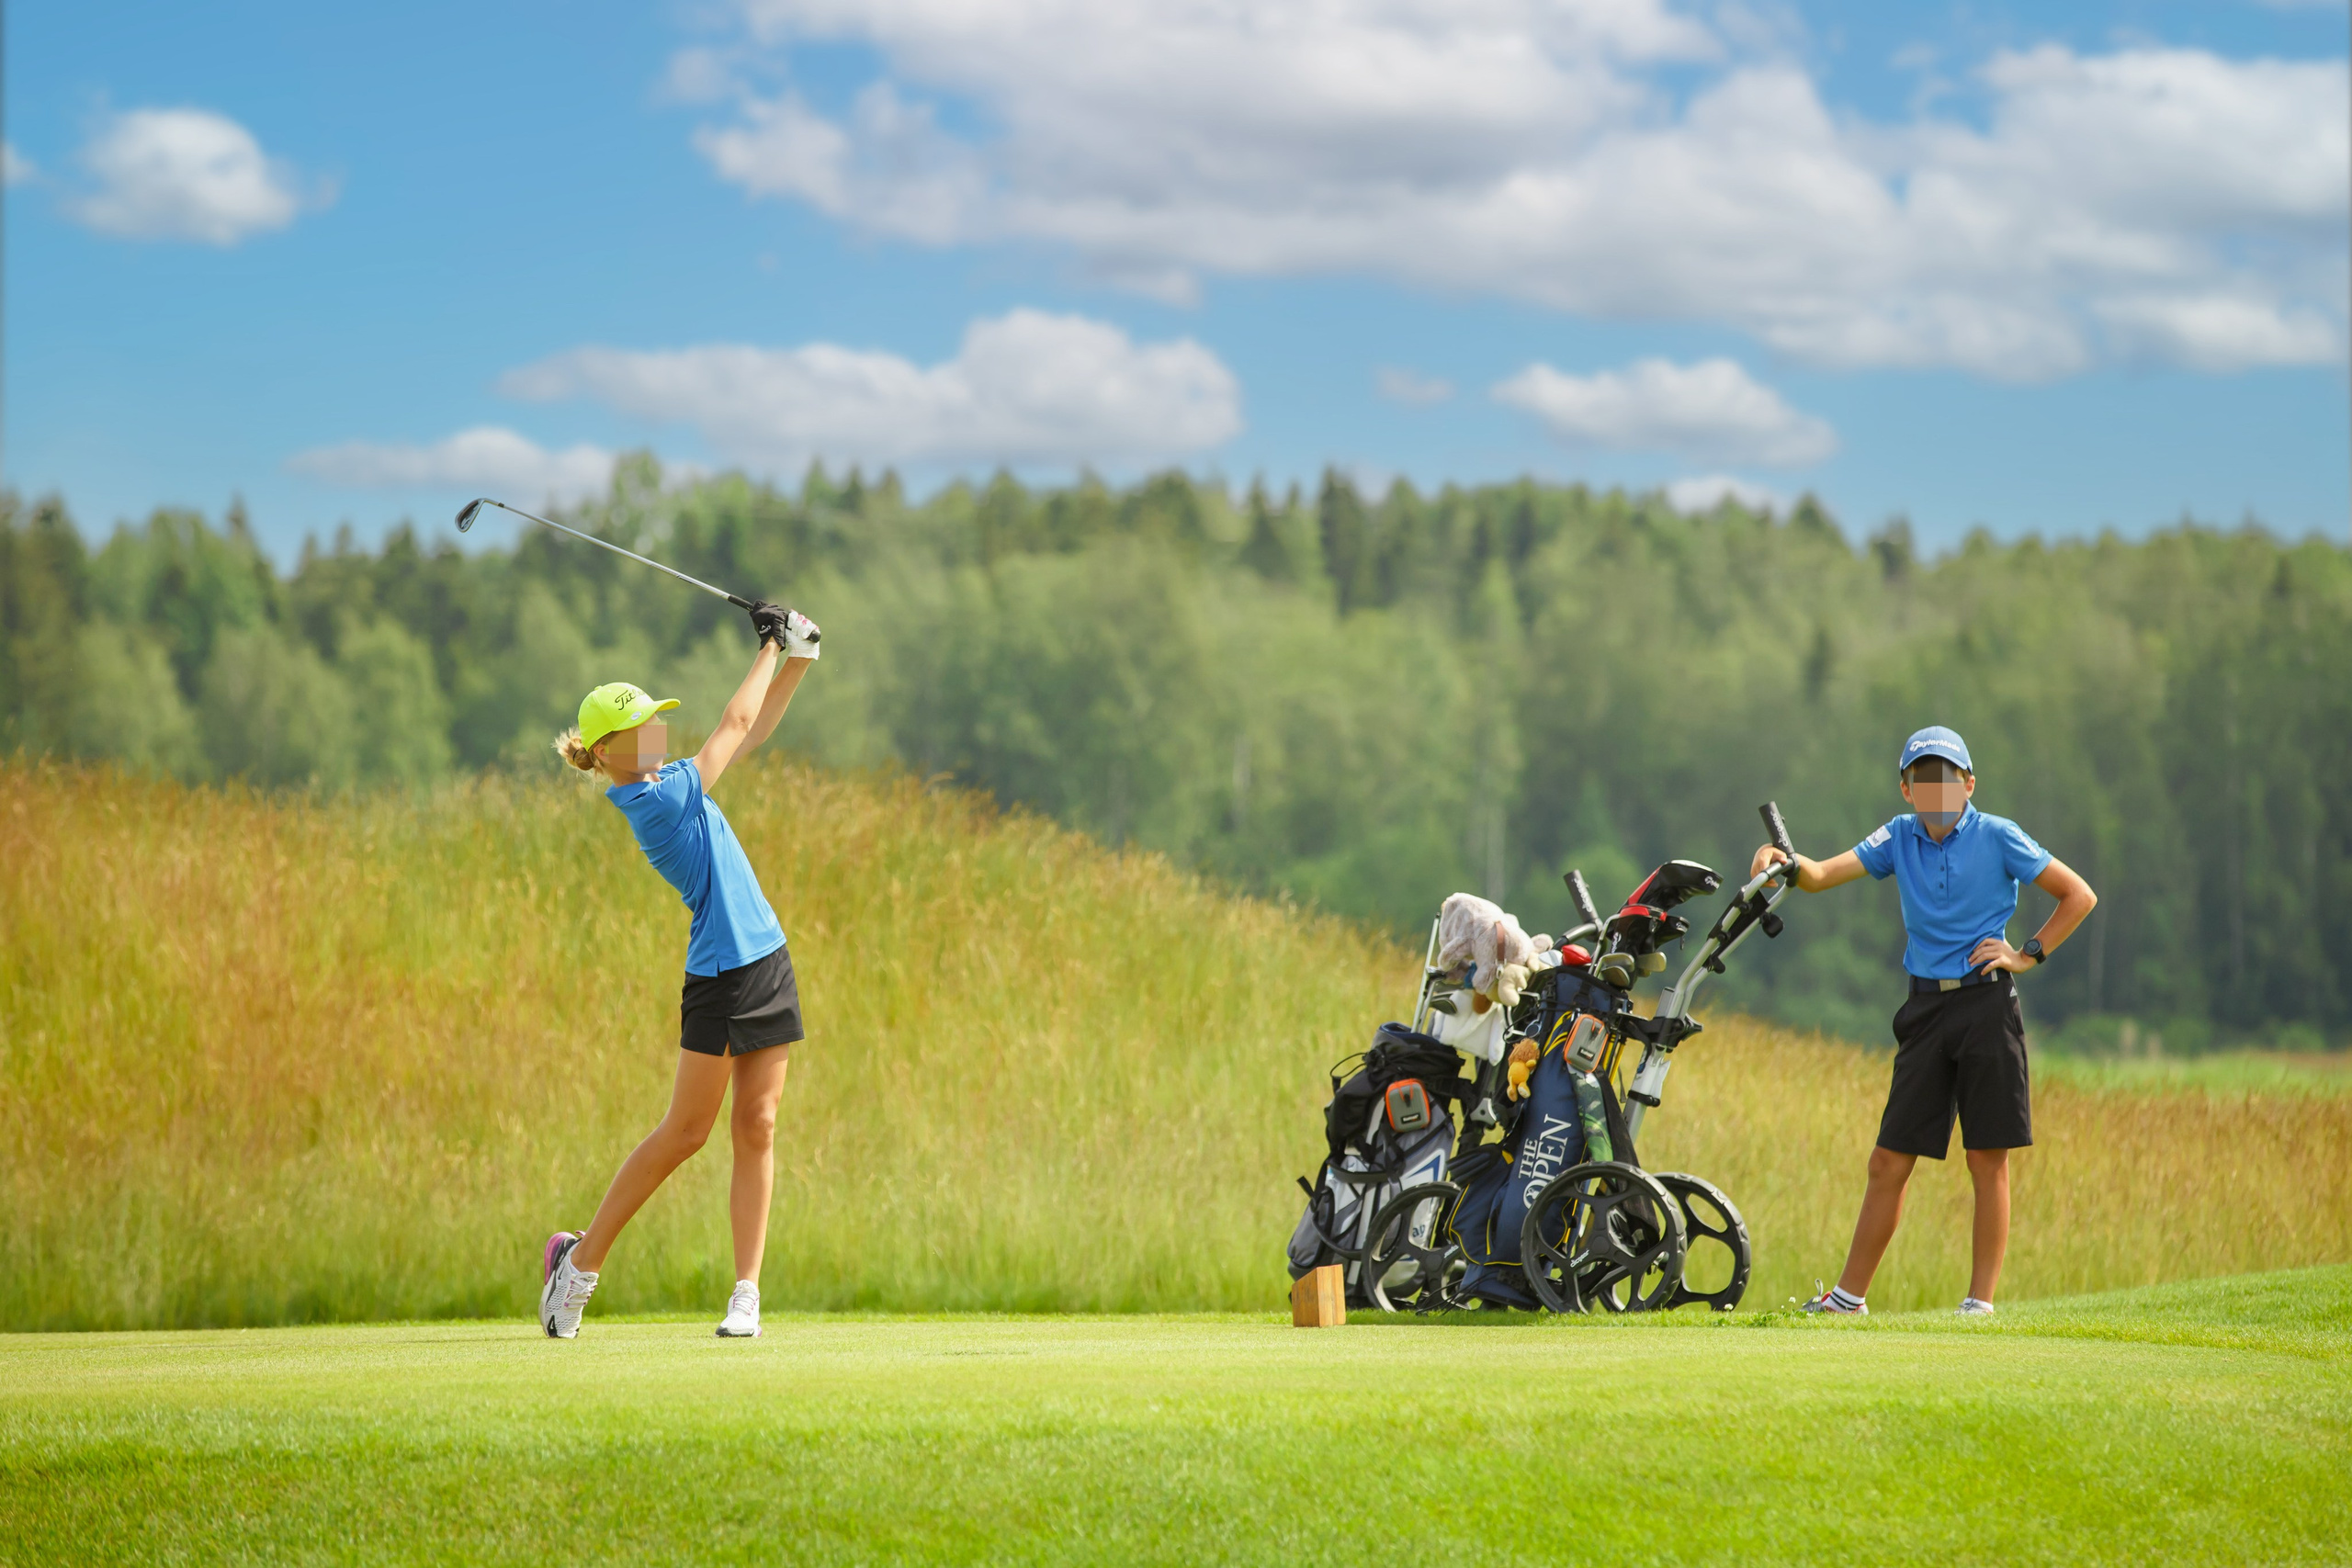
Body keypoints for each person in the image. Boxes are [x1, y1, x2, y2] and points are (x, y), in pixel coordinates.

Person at [537, 601, 821, 1340]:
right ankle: (579, 1265)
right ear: (606, 753)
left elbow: (751, 730)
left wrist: (797, 657)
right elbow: (731, 729)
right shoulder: (652, 799)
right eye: (638, 730)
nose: (654, 735)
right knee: (685, 1133)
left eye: (655, 722)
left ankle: (747, 1293)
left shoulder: (672, 776)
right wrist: (768, 645)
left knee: (758, 1125)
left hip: (767, 956)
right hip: (719, 977)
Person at [1753, 726, 2096, 1317]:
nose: (1935, 788)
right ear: (1908, 789)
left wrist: (2027, 954)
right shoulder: (1899, 835)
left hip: (1987, 1005)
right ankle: (1847, 1300)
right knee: (1889, 1159)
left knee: (1986, 1158)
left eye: (1946, 777)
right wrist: (1775, 860)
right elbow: (1818, 875)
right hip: (1925, 1010)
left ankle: (1979, 1305)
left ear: (1967, 784)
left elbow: (2077, 895)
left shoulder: (1997, 835)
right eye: (1922, 778)